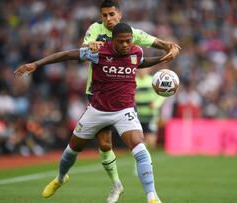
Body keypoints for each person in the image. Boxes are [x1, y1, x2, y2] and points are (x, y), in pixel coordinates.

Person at [14, 23, 173, 203]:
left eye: (128, 41)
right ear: (112, 40)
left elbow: (142, 62)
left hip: (125, 111)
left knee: (140, 148)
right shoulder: (98, 52)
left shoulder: (135, 52)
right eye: (121, 42)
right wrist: (36, 63)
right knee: (72, 150)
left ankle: (152, 197)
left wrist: (163, 58)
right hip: (97, 110)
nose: (125, 45)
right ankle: (60, 178)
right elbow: (67, 55)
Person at [82, 1, 180, 201]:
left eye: (111, 14)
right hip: (96, 93)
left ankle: (151, 193)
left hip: (122, 96)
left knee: (139, 143)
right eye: (104, 15)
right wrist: (89, 45)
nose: (108, 19)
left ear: (119, 13)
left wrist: (171, 47)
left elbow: (157, 43)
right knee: (105, 144)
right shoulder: (95, 29)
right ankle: (116, 184)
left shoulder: (131, 33)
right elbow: (83, 49)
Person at [135, 68, 166, 149]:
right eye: (140, 69)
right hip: (137, 115)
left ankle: (152, 154)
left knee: (151, 136)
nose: (142, 70)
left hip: (151, 115)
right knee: (139, 139)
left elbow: (162, 94)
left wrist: (156, 104)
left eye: (143, 69)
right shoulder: (133, 81)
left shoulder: (153, 80)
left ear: (148, 70)